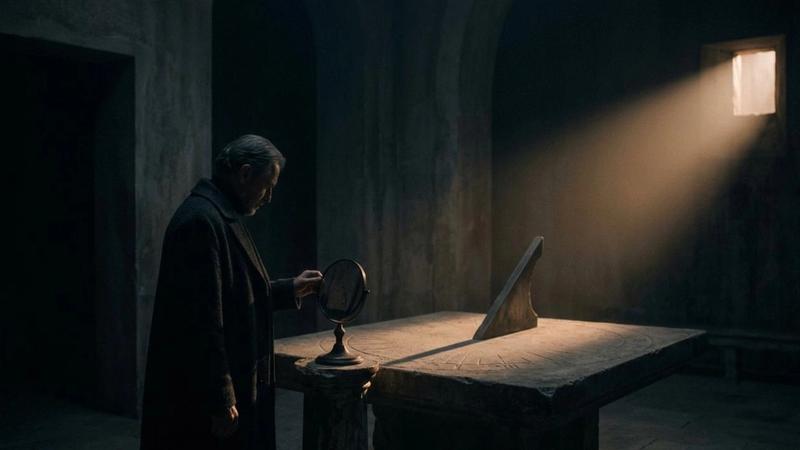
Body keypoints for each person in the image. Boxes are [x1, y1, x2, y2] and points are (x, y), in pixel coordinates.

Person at [140, 135, 322, 450]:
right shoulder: (201, 222)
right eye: (267, 186)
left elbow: (232, 294)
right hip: (199, 402)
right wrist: (221, 397)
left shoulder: (218, 214)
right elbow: (203, 324)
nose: (269, 198)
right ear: (245, 173)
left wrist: (288, 289)